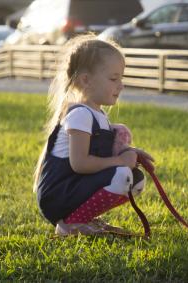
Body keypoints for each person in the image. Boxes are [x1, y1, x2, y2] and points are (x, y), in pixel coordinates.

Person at [33, 34, 154, 236]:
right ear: (86, 80)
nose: (121, 85)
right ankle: (70, 224)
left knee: (136, 179)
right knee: (122, 174)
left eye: (121, 78)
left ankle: (82, 217)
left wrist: (131, 153)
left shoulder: (98, 115)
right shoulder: (80, 114)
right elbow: (80, 164)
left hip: (74, 188)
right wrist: (120, 160)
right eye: (114, 79)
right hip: (59, 195)